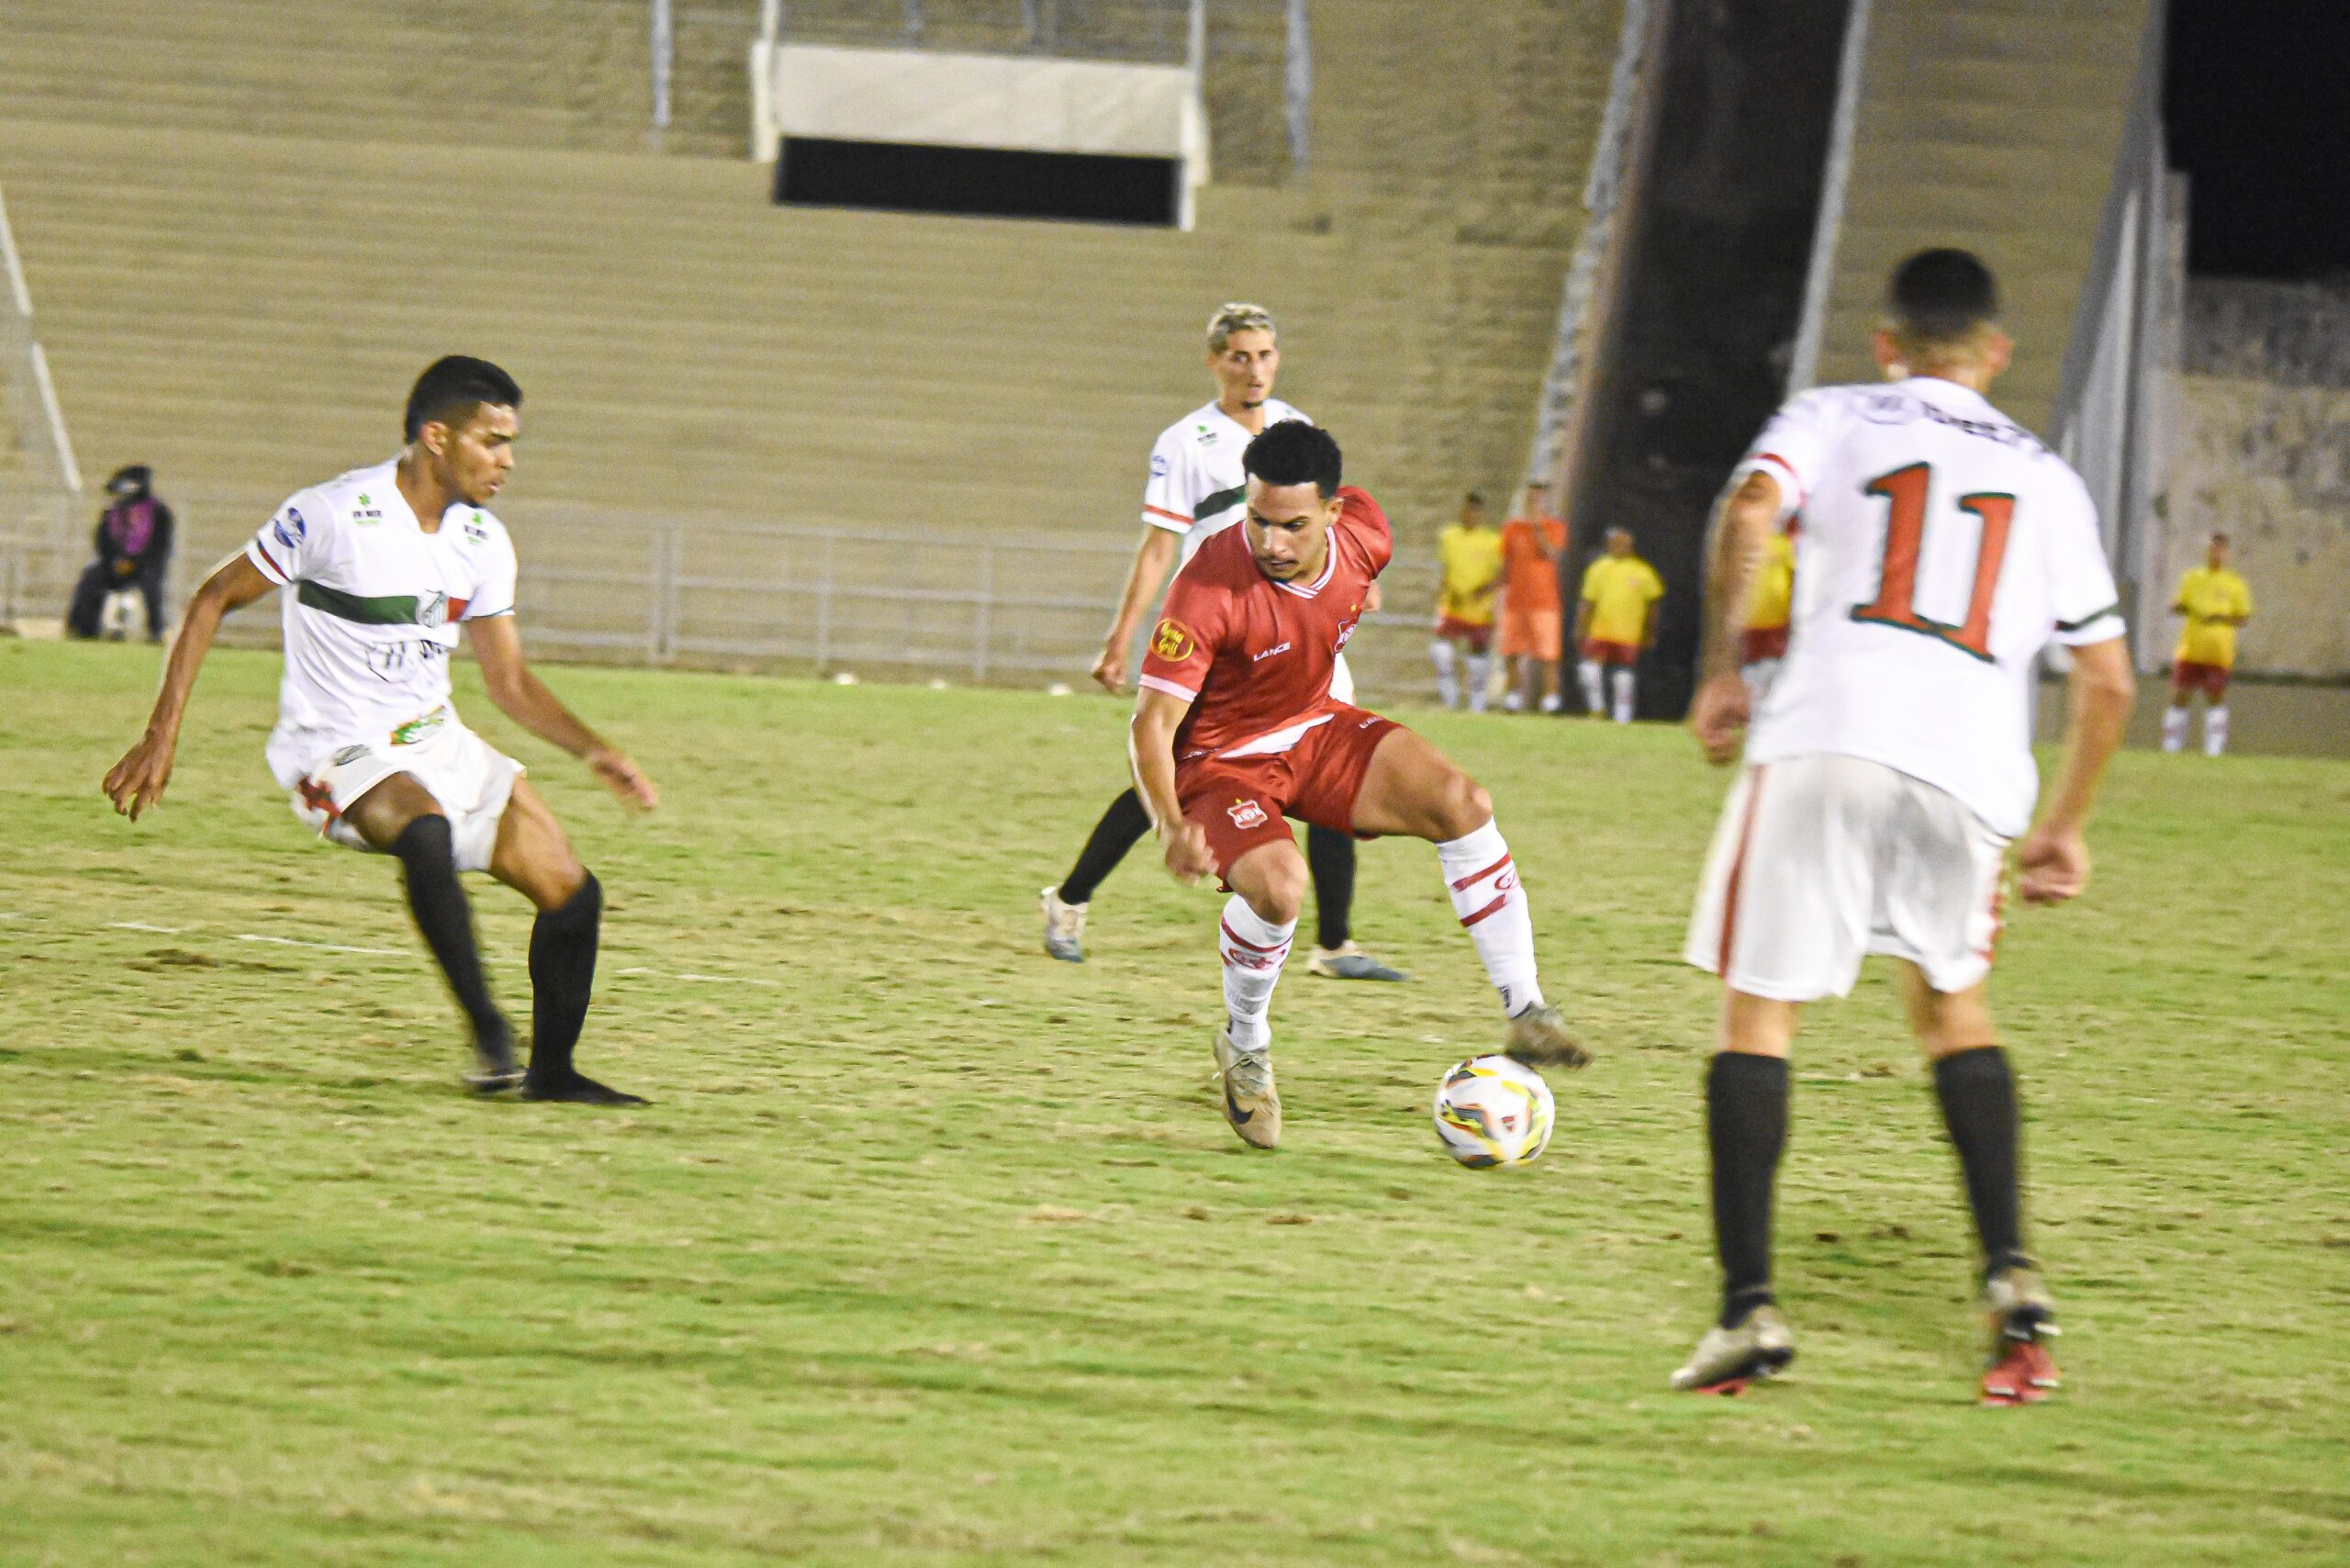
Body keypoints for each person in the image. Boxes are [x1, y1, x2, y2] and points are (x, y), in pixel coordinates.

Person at [1675, 249, 2135, 1405]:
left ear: (1887, 343)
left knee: (1758, 1010)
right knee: (1949, 1011)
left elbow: (1749, 510)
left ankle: (1747, 1312)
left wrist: (1723, 668)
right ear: (1994, 357)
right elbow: (2110, 678)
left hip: (1823, 736)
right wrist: (2064, 825)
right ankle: (2014, 1285)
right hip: (1969, 772)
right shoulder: (2051, 479)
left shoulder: (1831, 413)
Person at [100, 356, 661, 1104]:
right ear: (438, 436)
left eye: (510, 442)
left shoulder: (483, 542)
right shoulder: (334, 512)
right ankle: (492, 1038)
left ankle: (551, 1075)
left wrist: (595, 750)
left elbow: (509, 683)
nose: (508, 460)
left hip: (436, 739)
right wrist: (162, 735)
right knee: (424, 828)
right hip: (335, 745)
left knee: (572, 892)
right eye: (492, 441)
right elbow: (211, 600)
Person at [1129, 421, 1585, 1150]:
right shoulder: (1208, 587)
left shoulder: (1367, 530)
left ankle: (1527, 1007)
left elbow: (1359, 567)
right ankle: (1246, 1044)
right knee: (1280, 889)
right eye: (1258, 521)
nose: (1272, 543)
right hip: (1221, 763)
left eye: (1293, 527)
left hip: (1314, 728)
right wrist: (1167, 823)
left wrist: (1360, 590)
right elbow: (1150, 726)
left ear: (1335, 515)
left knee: (1463, 804)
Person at [1042, 303, 1404, 982]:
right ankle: (1069, 900)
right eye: (1240, 356)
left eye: (1265, 355)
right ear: (1214, 362)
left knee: (1329, 764)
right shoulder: (1185, 442)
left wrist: (1357, 578)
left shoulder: (1296, 431)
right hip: (1221, 640)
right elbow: (1159, 546)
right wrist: (1121, 637)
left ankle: (1336, 943)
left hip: (1301, 628)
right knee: (1174, 775)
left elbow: (1334, 519)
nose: (1255, 369)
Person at [2163, 532, 2253, 756]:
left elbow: (2243, 617)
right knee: (2180, 694)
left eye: (2221, 549)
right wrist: (2177, 608)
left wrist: (2220, 618)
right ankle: (2171, 746)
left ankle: (2214, 747)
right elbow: (2180, 604)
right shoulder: (2192, 578)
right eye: (2213, 548)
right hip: (2190, 648)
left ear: (2227, 553)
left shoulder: (2234, 583)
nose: (2216, 553)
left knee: (2215, 696)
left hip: (2218, 652)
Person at [67, 465, 175, 643]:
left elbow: (160, 546)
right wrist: (116, 561)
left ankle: (156, 631)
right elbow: (102, 541)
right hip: (114, 564)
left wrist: (136, 562)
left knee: (152, 583)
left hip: (146, 566)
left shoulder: (159, 513)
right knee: (92, 576)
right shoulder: (112, 512)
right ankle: (84, 628)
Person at [1574, 527, 1664, 722]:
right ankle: (1596, 708)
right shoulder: (1598, 568)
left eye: (1625, 542)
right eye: (1616, 542)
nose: (1621, 546)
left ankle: (1622, 715)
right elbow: (1587, 601)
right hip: (1599, 630)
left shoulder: (1643, 572)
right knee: (1588, 669)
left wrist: (1650, 632)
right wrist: (1580, 627)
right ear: (1609, 544)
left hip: (1628, 633)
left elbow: (1654, 605)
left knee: (1623, 674)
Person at [1496, 482, 1569, 712]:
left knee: (1548, 654)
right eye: (1531, 499)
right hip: (1516, 601)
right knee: (1512, 652)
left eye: (1539, 499)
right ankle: (1513, 696)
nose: (1534, 504)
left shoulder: (1554, 527)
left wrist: (1538, 528)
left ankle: (1551, 699)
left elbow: (1551, 553)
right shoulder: (1512, 529)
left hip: (1544, 602)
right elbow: (1506, 565)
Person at [1429, 492, 1503, 711]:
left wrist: (1484, 592)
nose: (1470, 515)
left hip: (1479, 607)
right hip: (1453, 603)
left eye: (1475, 511)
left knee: (1478, 653)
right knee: (1440, 650)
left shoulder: (1492, 541)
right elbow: (1444, 569)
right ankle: (1449, 695)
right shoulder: (1449, 536)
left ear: (1481, 515)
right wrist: (1443, 592)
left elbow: (1501, 573)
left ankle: (1476, 702)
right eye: (1467, 510)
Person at [1739, 520, 1796, 703]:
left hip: (1777, 618)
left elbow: (1794, 577)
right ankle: (1750, 707)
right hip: (1750, 617)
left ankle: (1765, 705)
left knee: (1772, 662)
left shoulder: (1782, 543)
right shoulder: (1744, 544)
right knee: (1749, 663)